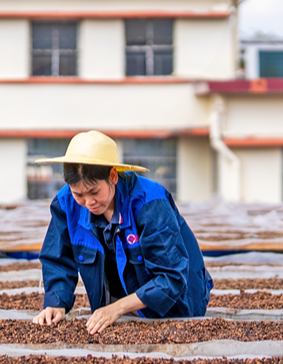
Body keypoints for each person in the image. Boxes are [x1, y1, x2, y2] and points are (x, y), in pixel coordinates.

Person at [31, 130, 213, 335]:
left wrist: (116, 309)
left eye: (94, 192)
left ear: (113, 176)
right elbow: (58, 257)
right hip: (117, 307)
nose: (88, 202)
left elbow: (171, 278)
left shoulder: (150, 204)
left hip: (175, 306)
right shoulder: (66, 203)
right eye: (78, 194)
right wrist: (57, 302)